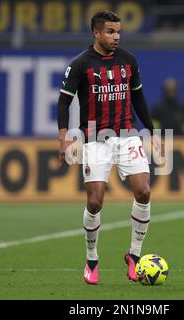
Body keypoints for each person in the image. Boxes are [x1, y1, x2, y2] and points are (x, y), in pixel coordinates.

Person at [56, 10, 162, 285]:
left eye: (118, 32)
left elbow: (138, 99)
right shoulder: (80, 64)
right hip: (94, 139)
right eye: (111, 32)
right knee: (95, 201)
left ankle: (135, 256)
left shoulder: (128, 61)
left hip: (126, 135)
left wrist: (152, 132)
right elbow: (64, 102)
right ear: (96, 33)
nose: (116, 37)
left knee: (144, 191)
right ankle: (92, 259)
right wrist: (64, 137)